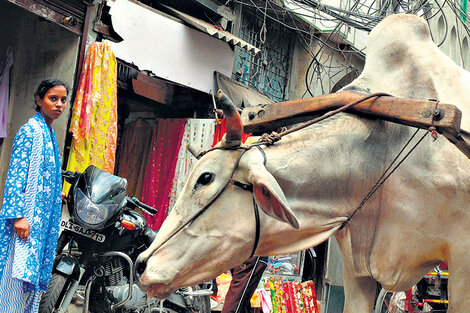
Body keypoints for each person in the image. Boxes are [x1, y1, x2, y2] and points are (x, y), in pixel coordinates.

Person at [0, 78, 68, 312]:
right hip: (24, 222)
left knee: (27, 283)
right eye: (53, 98)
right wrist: (18, 215)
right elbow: (16, 174)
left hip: (39, 225)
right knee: (14, 276)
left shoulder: (48, 133)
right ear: (39, 100)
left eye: (63, 100)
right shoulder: (30, 131)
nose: (59, 104)